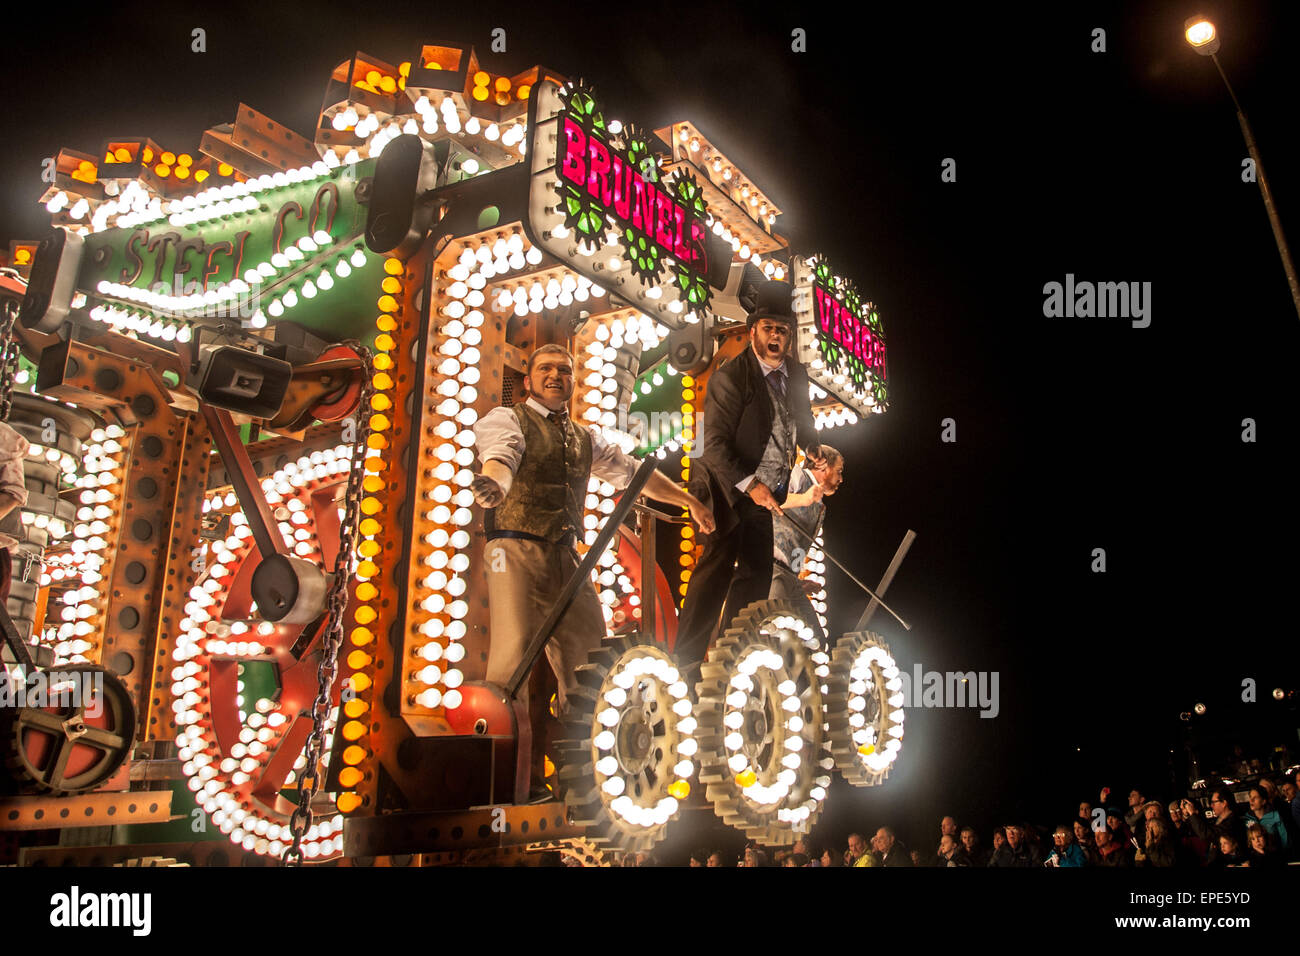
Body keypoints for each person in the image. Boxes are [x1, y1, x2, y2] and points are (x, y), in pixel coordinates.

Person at [471, 344, 715, 800]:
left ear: (571, 380)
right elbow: (501, 455)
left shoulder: (585, 437)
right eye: (545, 369)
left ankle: (582, 777)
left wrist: (689, 500)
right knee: (513, 655)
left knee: (591, 661)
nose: (555, 376)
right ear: (528, 380)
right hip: (514, 545)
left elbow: (632, 472)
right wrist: (497, 482)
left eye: (563, 370)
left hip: (565, 553)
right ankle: (502, 781)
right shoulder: (507, 420)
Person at [674, 282, 821, 670]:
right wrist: (751, 485)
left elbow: (802, 419)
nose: (776, 336)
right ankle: (685, 664)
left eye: (783, 330)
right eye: (769, 328)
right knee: (716, 569)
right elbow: (712, 445)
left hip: (764, 488)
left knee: (756, 577)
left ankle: (729, 660)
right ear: (753, 330)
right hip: (724, 485)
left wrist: (814, 447)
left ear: (790, 336)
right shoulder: (731, 377)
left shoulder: (797, 375)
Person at [768, 446, 843, 643]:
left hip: (790, 578)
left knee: (815, 642)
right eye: (839, 471)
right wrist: (803, 498)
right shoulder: (798, 476)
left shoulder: (820, 506)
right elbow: (769, 499)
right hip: (773, 570)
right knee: (773, 634)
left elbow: (800, 544)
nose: (841, 479)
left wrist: (798, 579)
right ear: (824, 468)